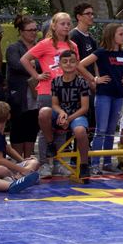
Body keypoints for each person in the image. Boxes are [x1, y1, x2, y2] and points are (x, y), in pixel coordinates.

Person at [79, 23, 123, 174]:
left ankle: (108, 163)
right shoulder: (102, 52)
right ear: (111, 35)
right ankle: (95, 164)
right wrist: (95, 79)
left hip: (118, 94)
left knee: (110, 130)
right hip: (104, 93)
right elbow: (80, 65)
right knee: (101, 130)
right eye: (120, 34)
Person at [21, 12, 80, 176]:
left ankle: (58, 163)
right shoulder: (45, 43)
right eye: (62, 24)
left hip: (66, 92)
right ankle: (44, 164)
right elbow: (25, 59)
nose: (66, 27)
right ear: (53, 26)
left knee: (62, 126)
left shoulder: (73, 45)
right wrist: (37, 76)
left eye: (68, 24)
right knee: (46, 127)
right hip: (47, 90)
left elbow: (77, 66)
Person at [38, 50, 92, 181]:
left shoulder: (82, 82)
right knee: (44, 111)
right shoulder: (55, 81)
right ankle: (51, 144)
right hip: (61, 114)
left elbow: (85, 107)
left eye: (72, 61)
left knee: (80, 131)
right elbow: (55, 104)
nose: (68, 64)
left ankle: (84, 165)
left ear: (77, 63)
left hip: (77, 115)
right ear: (59, 65)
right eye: (65, 61)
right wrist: (62, 113)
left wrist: (69, 118)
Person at [0, 101, 40, 187]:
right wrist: (22, 169)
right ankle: (18, 178)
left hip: (0, 168)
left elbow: (8, 149)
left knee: (33, 162)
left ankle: (16, 178)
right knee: (1, 170)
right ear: (8, 117)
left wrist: (23, 161)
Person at [6, 15, 40, 160]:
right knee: (18, 125)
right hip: (19, 93)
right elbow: (16, 65)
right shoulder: (13, 48)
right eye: (29, 30)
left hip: (36, 93)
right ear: (21, 32)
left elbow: (45, 64)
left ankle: (28, 158)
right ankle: (18, 159)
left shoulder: (40, 46)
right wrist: (33, 66)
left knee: (32, 125)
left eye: (35, 30)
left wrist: (29, 64)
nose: (33, 33)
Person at [71, 2, 99, 129]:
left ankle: (90, 138)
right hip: (80, 84)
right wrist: (89, 81)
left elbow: (95, 62)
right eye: (88, 14)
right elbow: (74, 64)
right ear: (79, 16)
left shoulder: (91, 39)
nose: (91, 16)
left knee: (94, 115)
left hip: (92, 82)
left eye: (92, 14)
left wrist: (96, 79)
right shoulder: (73, 36)